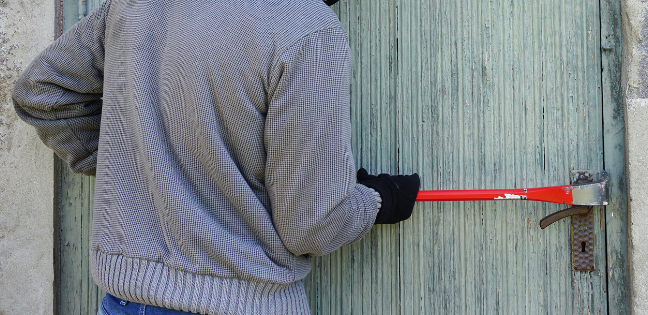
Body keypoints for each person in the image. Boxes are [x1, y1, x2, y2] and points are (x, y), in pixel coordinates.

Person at [12, 0, 419, 314]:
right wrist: (379, 199)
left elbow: (43, 93)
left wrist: (143, 165)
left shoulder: (137, 5)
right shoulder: (304, 25)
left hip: (122, 304)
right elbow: (312, 225)